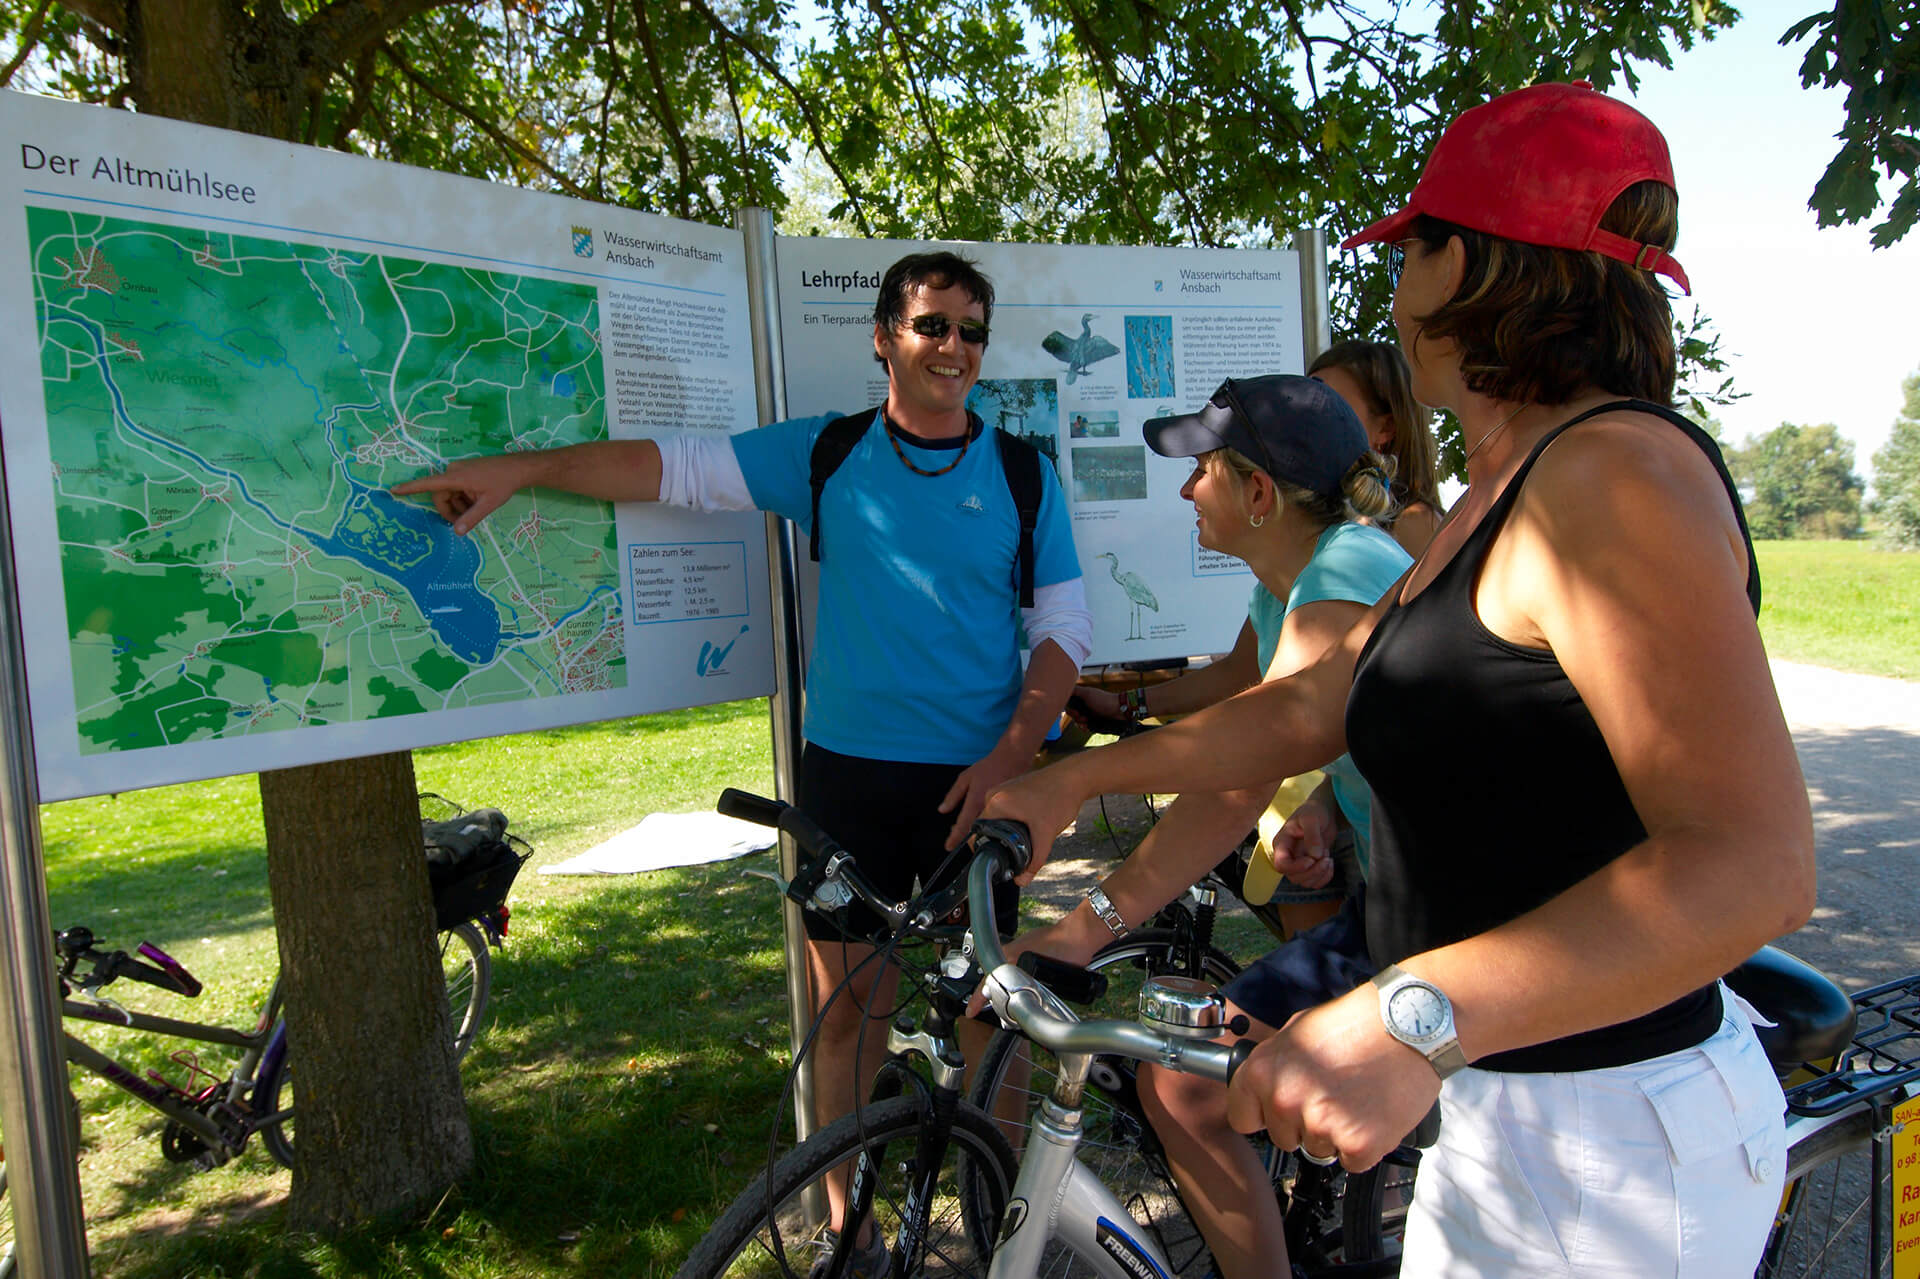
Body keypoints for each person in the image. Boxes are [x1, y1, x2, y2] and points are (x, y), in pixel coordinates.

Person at [981, 82, 1812, 1277]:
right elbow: (1322, 700)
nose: (1397, 287)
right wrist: (1092, 777)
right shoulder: (1501, 488)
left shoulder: (1613, 475)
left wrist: (1413, 1014)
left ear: (1476, 263)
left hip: (1610, 1143)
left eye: (1412, 247)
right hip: (1512, 1111)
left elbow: (1757, 863)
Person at [395, 250, 1092, 1277]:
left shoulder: (1024, 473)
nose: (955, 348)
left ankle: (1008, 1222)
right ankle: (848, 1230)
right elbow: (662, 467)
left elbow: (1064, 629)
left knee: (991, 1005)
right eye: (934, 325)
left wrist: (1010, 757)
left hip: (976, 784)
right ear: (883, 337)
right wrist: (524, 468)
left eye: (972, 331)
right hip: (850, 776)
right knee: (851, 1004)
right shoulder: (826, 454)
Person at [1000, 374, 1410, 1279]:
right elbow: (1240, 699)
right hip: (1401, 907)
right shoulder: (1300, 581)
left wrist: (1079, 786)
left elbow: (1241, 771)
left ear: (1258, 492)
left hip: (1444, 929)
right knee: (1185, 1072)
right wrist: (1127, 707)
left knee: (1184, 1082)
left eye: (1200, 469)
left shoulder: (1342, 570)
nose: (1185, 490)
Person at [1307, 340, 1447, 556]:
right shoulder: (1329, 517)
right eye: (1305, 406)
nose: (1309, 421)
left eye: (1330, 407)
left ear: (1385, 428)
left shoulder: (1414, 523)